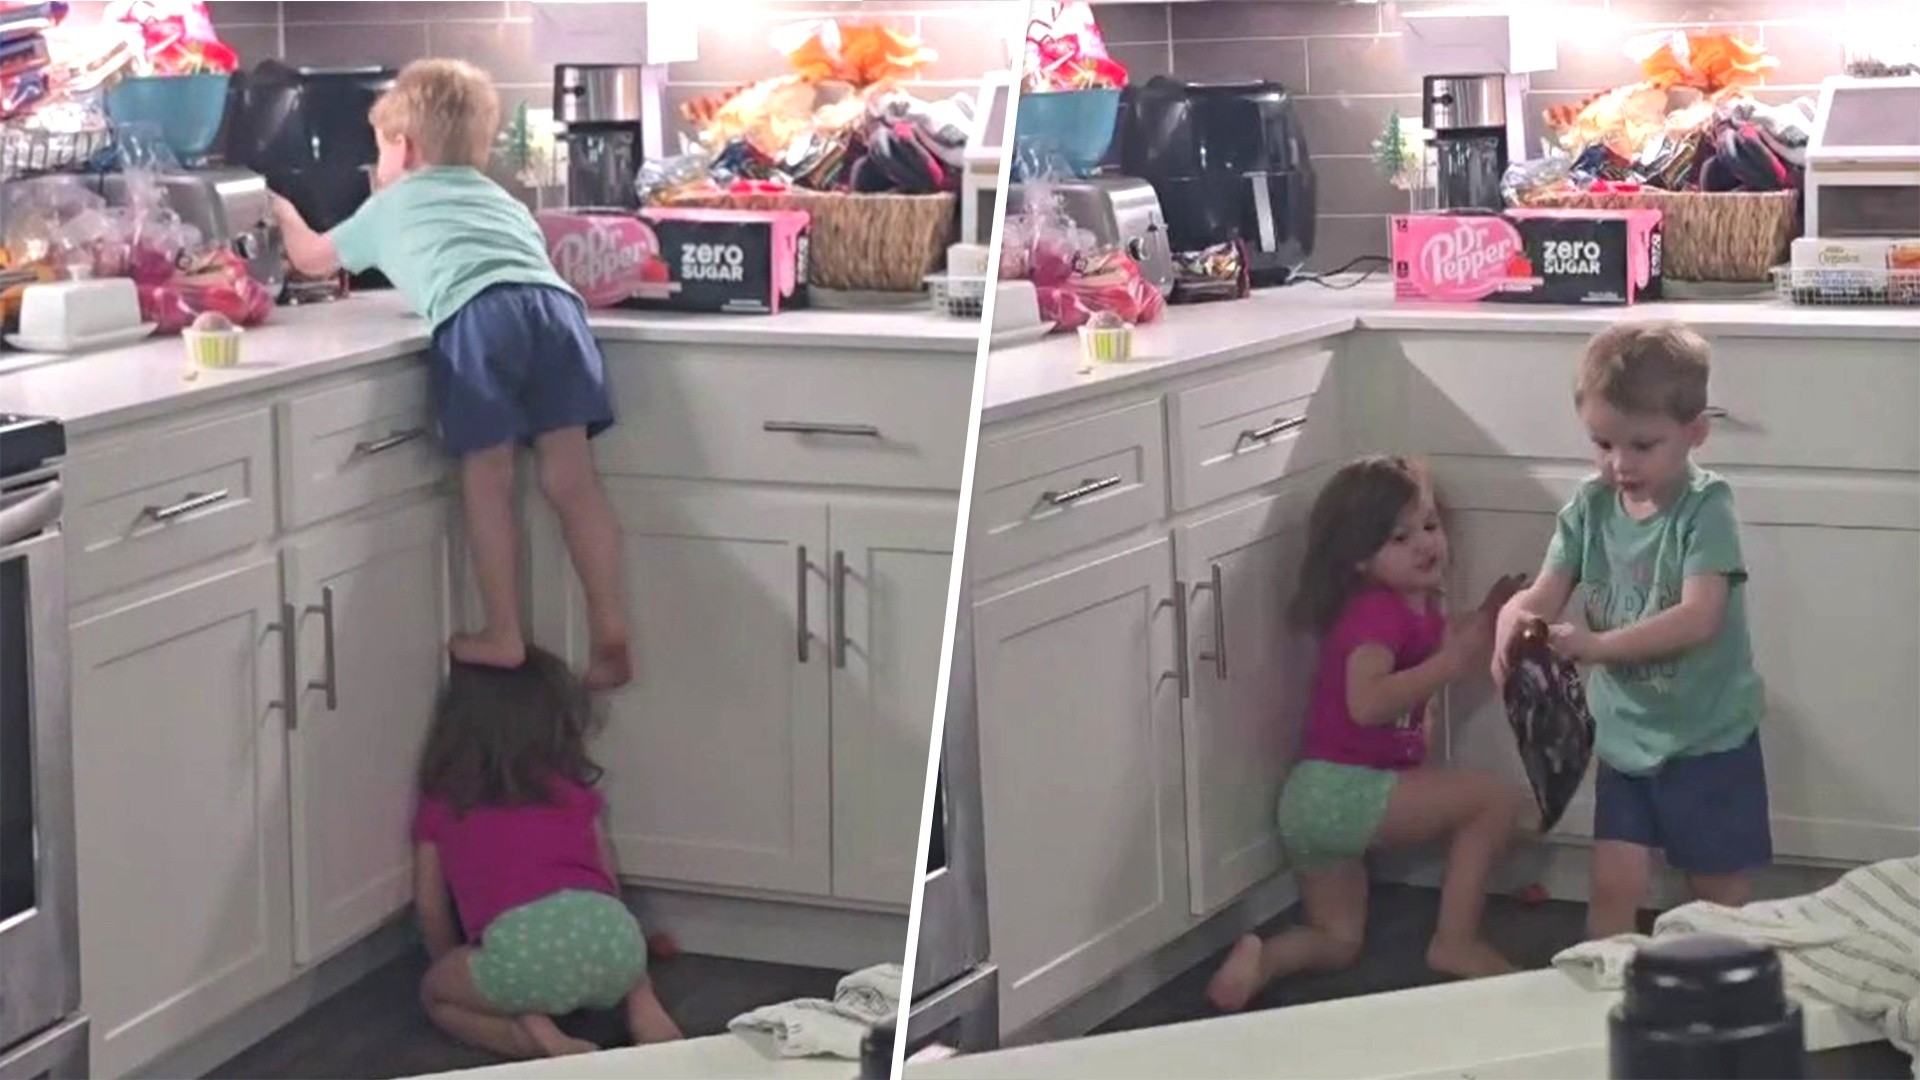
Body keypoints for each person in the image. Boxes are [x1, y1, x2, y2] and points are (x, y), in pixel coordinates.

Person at [271, 58, 630, 688]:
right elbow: (498, 262)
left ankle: (503, 632)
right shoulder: (503, 200)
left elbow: (310, 261)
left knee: (487, 478)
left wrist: (281, 212)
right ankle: (608, 626)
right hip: (556, 312)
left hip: (480, 320)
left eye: (379, 150)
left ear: (402, 148)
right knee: (572, 480)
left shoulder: (391, 203)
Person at [1207, 456, 1531, 1013]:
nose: (1425, 543)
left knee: (1338, 941)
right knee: (1494, 801)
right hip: (1345, 790)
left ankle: (1262, 959)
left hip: (1313, 804)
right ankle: (1455, 943)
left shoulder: (1409, 605)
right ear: (1359, 557)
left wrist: (1485, 618)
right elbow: (1367, 702)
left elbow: (1444, 648)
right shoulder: (1376, 617)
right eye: (1399, 537)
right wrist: (1449, 665)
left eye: (1429, 526)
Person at [1493, 322, 1769, 939]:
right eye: (1602, 443)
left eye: (1643, 445)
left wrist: (1596, 648)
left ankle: (1731, 1010)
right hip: (1624, 739)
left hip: (1707, 741)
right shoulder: (1587, 508)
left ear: (1695, 432)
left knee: (1717, 895)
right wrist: (1512, 622)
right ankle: (1601, 1006)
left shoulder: (1706, 509)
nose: (1620, 464)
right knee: (1612, 885)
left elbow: (1701, 617)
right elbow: (1543, 593)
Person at [412, 647, 682, 1058]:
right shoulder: (575, 792)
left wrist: (454, 963)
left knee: (437, 994)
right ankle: (645, 1008)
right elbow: (606, 880)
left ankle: (535, 1038)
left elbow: (431, 907)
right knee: (603, 932)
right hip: (616, 940)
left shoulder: (444, 802)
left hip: (521, 953)